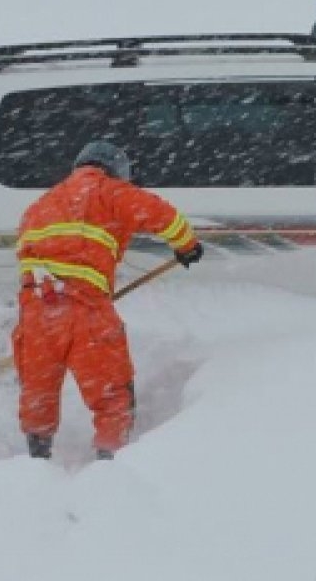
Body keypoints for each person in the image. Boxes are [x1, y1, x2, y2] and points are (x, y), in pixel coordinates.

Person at [13, 141, 203, 460]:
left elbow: (27, 256)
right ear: (116, 171)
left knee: (38, 391)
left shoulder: (39, 206)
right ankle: (110, 463)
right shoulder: (109, 191)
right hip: (85, 310)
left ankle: (37, 458)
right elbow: (163, 216)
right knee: (111, 392)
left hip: (38, 310)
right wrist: (187, 246)